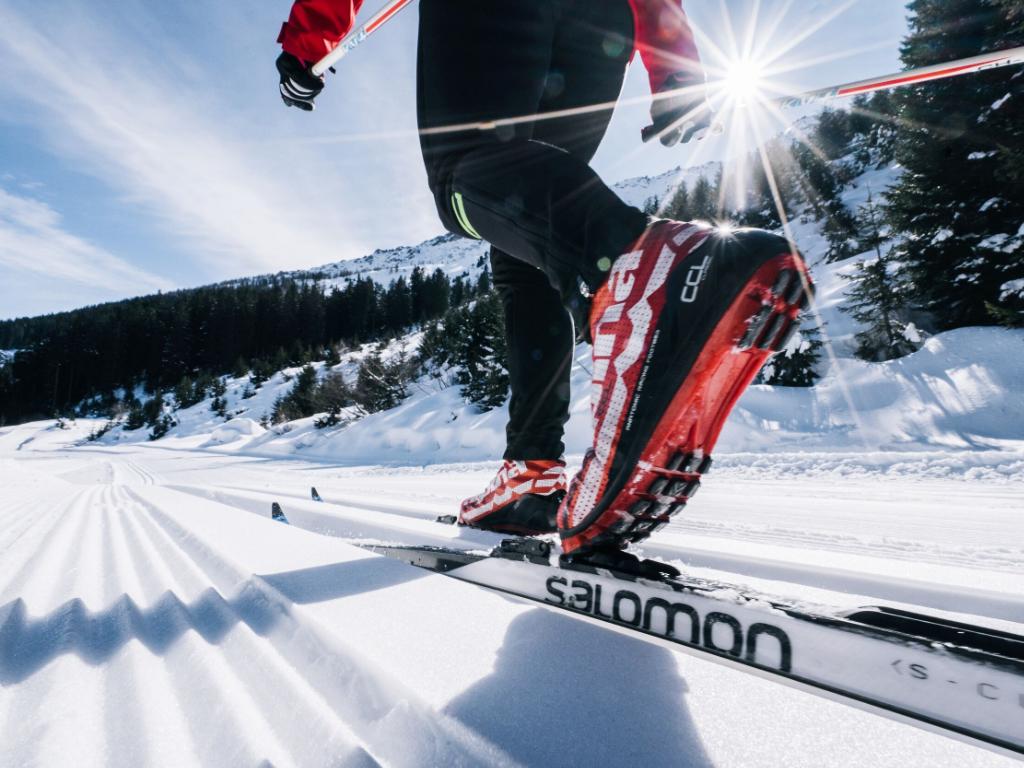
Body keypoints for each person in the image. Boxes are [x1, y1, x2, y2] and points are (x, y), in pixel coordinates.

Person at [275, 0, 811, 572]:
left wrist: (309, 43)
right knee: (524, 240)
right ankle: (530, 471)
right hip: (604, 24)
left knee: (465, 172)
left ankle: (639, 269)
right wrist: (675, 64)